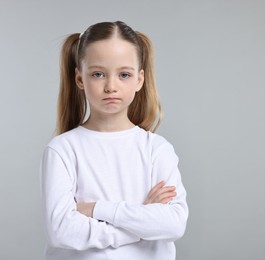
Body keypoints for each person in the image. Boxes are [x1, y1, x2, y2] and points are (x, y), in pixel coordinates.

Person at [40, 21, 188, 260]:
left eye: (124, 75)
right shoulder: (62, 150)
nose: (111, 86)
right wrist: (140, 225)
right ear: (80, 79)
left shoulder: (157, 150)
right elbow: (62, 231)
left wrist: (97, 209)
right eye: (98, 74)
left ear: (139, 80)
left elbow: (173, 224)